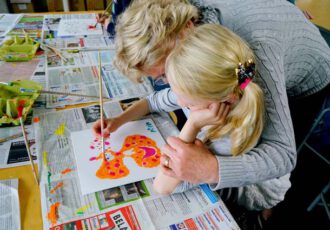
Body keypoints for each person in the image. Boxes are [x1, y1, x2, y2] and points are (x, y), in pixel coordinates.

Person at [95, 0, 330, 226]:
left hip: (309, 70)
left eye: (166, 74)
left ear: (188, 29)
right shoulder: (213, 69)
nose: (171, 86)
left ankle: (269, 215)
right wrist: (122, 118)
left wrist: (208, 166)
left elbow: (283, 154)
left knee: (282, 146)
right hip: (263, 56)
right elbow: (163, 100)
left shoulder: (251, 60)